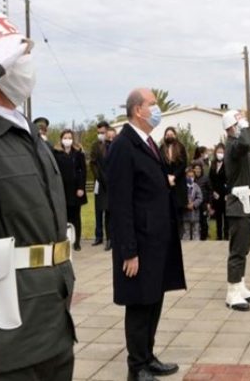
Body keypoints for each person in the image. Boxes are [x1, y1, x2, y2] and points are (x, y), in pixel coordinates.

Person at [0, 10, 75, 380]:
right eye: (14, 57)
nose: (25, 64)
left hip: (53, 323)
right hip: (5, 341)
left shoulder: (27, 133)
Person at [107, 88, 186, 381]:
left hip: (157, 240)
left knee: (153, 299)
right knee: (140, 305)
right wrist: (128, 251)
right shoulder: (123, 145)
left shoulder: (148, 142)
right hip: (139, 243)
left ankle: (148, 356)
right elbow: (120, 203)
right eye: (153, 104)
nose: (157, 108)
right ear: (138, 110)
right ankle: (136, 367)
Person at [222, 110, 250, 311]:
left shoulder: (238, 146)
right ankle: (232, 292)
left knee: (244, 248)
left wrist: (244, 125)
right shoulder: (234, 146)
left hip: (249, 203)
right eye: (238, 125)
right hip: (239, 205)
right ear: (233, 127)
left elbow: (247, 143)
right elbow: (245, 143)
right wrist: (243, 123)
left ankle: (240, 285)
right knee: (237, 250)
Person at [53, 129, 88, 252]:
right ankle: (65, 240)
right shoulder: (56, 153)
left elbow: (83, 171)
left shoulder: (78, 153)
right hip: (62, 189)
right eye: (65, 137)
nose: (67, 140)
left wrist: (81, 187)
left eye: (69, 137)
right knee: (64, 217)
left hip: (75, 190)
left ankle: (77, 242)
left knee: (76, 217)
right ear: (61, 139)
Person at [160, 126, 188, 238]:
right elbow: (159, 163)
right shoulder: (161, 148)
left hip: (178, 182)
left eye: (171, 135)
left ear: (175, 135)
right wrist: (166, 176)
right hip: (166, 182)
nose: (169, 137)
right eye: (167, 135)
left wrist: (174, 176)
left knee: (178, 208)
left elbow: (183, 164)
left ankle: (179, 233)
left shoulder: (180, 147)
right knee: (168, 208)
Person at [90, 120, 111, 249]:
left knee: (109, 211)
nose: (101, 135)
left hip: (111, 182)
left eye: (102, 132)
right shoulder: (95, 146)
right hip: (99, 182)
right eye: (98, 133)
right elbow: (93, 163)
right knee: (98, 210)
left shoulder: (112, 144)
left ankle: (110, 238)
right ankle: (98, 236)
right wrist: (99, 177)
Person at [209, 143, 229, 240]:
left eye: (221, 152)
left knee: (226, 216)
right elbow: (210, 180)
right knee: (218, 216)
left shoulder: (227, 164)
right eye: (218, 152)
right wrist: (213, 191)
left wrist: (228, 193)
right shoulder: (212, 164)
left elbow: (229, 179)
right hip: (216, 194)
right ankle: (219, 235)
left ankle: (226, 235)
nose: (219, 154)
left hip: (225, 194)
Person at [183, 167, 203, 240]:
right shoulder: (183, 187)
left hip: (195, 213)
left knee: (196, 231)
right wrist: (186, 204)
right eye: (189, 176)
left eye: (192, 176)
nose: (191, 178)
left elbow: (200, 197)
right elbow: (180, 197)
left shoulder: (196, 186)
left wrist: (194, 204)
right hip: (185, 214)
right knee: (186, 231)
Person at [192, 161, 211, 240]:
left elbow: (210, 191)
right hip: (194, 204)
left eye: (199, 168)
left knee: (204, 222)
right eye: (196, 168)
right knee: (195, 221)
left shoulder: (206, 178)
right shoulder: (192, 179)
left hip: (204, 204)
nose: (197, 170)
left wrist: (209, 203)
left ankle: (204, 237)